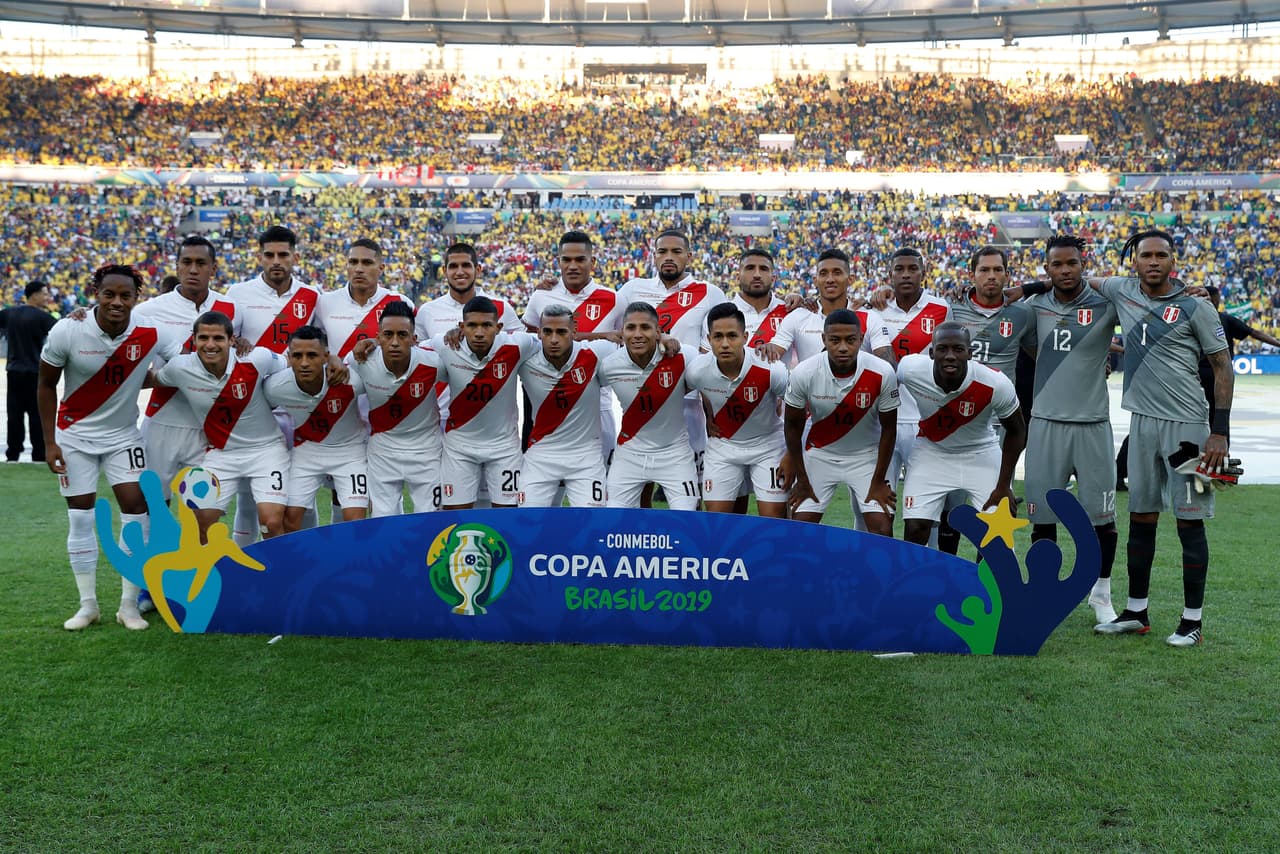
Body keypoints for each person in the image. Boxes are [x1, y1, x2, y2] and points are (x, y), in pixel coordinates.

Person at [1090, 229, 1233, 646]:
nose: (1153, 262)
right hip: (1141, 424)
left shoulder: (1196, 306)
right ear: (1133, 260)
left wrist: (1219, 431)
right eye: (1145, 255)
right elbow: (1075, 280)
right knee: (1141, 516)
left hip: (1191, 428)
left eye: (1162, 255)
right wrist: (1022, 288)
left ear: (1174, 260)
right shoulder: (1122, 290)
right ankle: (1136, 611)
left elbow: (1223, 368)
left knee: (1190, 522)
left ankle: (1192, 622)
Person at [37, 265, 176, 631]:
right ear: (95, 292)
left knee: (137, 511)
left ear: (135, 298)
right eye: (109, 294)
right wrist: (50, 442)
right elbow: (46, 384)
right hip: (75, 438)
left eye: (125, 296)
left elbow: (189, 355)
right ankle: (88, 606)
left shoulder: (149, 333)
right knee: (80, 518)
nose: (117, 302)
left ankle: (128, 606)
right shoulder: (68, 328)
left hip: (123, 437)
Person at [1014, 235, 1122, 623]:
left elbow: (1139, 295)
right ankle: (1044, 593)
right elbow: (1026, 345)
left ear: (1082, 264)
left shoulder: (1105, 305)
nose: (1064, 270)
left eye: (1071, 263)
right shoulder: (1034, 307)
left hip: (1093, 424)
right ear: (1047, 269)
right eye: (1056, 265)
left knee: (1102, 517)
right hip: (1045, 424)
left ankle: (1102, 594)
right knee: (1042, 517)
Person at [153, 311, 290, 541]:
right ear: (193, 340)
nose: (210, 345)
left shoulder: (257, 359)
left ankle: (277, 576)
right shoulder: (180, 367)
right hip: (220, 454)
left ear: (232, 341)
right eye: (203, 338)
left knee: (272, 522)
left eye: (218, 338)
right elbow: (152, 378)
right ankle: (211, 577)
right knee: (200, 524)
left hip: (267, 451)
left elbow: (292, 367)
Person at [897, 322, 1027, 547]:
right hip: (931, 451)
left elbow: (1017, 431)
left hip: (981, 453)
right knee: (915, 526)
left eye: (958, 349)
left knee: (999, 530)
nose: (950, 356)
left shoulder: (995, 383)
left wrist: (1004, 485)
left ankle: (994, 582)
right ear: (931, 352)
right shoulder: (909, 369)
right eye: (942, 349)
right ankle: (916, 582)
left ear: (970, 353)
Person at [615, 230, 728, 482]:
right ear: (653, 257)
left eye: (676, 252)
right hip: (640, 397)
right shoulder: (633, 289)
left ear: (688, 256)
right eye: (662, 252)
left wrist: (711, 414)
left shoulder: (710, 293)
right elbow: (613, 331)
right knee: (638, 481)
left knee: (693, 483)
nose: (669, 257)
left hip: (687, 401)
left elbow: (711, 355)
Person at [133, 236, 240, 498]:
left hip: (209, 426)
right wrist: (81, 315)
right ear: (177, 266)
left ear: (213, 269)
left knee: (204, 512)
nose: (193, 269)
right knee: (152, 509)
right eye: (187, 262)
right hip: (161, 421)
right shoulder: (149, 311)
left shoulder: (232, 309)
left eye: (201, 263)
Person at [780, 308, 899, 534]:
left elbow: (889, 429)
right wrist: (803, 479)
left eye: (850, 340)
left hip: (866, 456)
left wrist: (878, 481)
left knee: (882, 530)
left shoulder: (882, 372)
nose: (843, 347)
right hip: (821, 454)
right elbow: (792, 427)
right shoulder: (804, 372)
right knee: (798, 528)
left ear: (861, 339)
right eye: (835, 340)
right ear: (823, 339)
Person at [431, 296, 539, 510]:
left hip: (504, 447)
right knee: (455, 518)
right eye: (472, 326)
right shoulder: (443, 344)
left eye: (486, 325)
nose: (479, 333)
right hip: (459, 446)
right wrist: (371, 343)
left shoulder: (518, 345)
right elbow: (406, 347)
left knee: (507, 518)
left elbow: (555, 343)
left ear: (499, 327)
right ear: (461, 327)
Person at [521, 230, 620, 465]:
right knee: (546, 492)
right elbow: (531, 344)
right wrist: (599, 335)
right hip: (547, 405)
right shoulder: (541, 296)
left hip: (598, 405)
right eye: (567, 260)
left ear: (592, 262)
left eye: (580, 259)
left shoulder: (614, 299)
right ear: (559, 262)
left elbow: (625, 340)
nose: (573, 266)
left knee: (600, 488)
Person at [686, 303, 791, 517]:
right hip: (723, 447)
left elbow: (795, 406)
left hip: (768, 445)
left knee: (774, 520)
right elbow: (703, 389)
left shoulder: (771, 368)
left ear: (745, 336)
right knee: (716, 522)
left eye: (732, 336)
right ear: (709, 340)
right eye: (718, 337)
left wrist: (791, 454)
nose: (725, 344)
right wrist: (709, 415)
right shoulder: (697, 370)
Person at [263, 326, 369, 531]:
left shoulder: (351, 381)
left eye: (312, 355)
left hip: (351, 453)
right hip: (306, 452)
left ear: (325, 357)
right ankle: (301, 562)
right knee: (290, 521)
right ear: (289, 357)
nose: (304, 363)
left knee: (357, 524)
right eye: (297, 356)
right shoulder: (274, 387)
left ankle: (345, 562)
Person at [598, 302, 700, 511]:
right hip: (630, 454)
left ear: (657, 332)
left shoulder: (684, 356)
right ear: (622, 332)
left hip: (675, 453)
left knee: (688, 515)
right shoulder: (609, 365)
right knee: (613, 518)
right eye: (631, 328)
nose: (637, 334)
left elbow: (710, 379)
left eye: (645, 328)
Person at [349, 301, 443, 517]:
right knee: (383, 522)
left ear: (414, 339)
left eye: (402, 335)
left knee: (430, 520)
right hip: (383, 453)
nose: (394, 342)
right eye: (388, 335)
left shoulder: (433, 362)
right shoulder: (361, 360)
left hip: (427, 452)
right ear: (378, 337)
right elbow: (336, 370)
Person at [518, 304, 614, 508]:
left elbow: (640, 343)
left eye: (561, 332)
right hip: (541, 454)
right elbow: (489, 343)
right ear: (538, 332)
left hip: (585, 456)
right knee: (526, 521)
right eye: (548, 332)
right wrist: (458, 333)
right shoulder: (525, 357)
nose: (554, 339)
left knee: (592, 522)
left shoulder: (596, 353)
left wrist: (664, 339)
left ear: (574, 331)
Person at [767, 248, 894, 365]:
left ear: (850, 279)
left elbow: (887, 366)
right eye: (823, 273)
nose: (830, 279)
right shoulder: (798, 316)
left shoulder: (869, 317)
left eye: (837, 273)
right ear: (815, 280)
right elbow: (772, 354)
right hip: (810, 389)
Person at [316, 238, 414, 360]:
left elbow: (416, 346)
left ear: (381, 268)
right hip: (340, 379)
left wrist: (379, 343)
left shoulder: (400, 302)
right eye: (353, 262)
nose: (359, 269)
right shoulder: (325, 302)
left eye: (367, 263)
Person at [947, 246, 1034, 381]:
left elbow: (1037, 357)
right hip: (957, 398)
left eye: (998, 269)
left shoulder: (1023, 313)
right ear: (972, 276)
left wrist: (1031, 287)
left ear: (1007, 276)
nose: (992, 276)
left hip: (1002, 401)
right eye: (984, 270)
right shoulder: (951, 306)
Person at [1199, 284, 1279, 423]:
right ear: (1216, 301)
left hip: (1196, 374)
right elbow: (1254, 333)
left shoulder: (1191, 321)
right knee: (1219, 415)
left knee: (1197, 415)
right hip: (1220, 373)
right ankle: (1221, 438)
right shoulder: (1225, 319)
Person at [1, 280, 57, 462]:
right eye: (45, 293)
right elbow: (64, 330)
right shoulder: (42, 317)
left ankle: (13, 452)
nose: (47, 297)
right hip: (35, 373)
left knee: (14, 415)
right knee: (37, 414)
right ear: (35, 295)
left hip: (14, 372)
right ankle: (39, 453)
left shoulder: (9, 314)